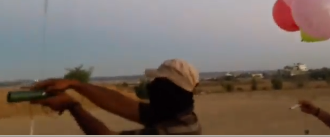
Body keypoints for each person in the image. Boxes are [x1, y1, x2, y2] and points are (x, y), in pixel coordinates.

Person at [30, 59, 202, 135]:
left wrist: (73, 106)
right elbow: (121, 103)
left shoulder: (177, 131)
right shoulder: (177, 114)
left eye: (159, 83)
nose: (152, 86)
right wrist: (75, 85)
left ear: (170, 91)